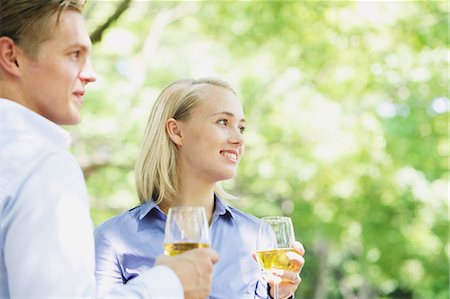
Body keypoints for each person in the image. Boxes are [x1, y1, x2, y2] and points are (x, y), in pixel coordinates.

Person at [0, 1, 219, 298]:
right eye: (74, 55)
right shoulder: (42, 165)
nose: (90, 74)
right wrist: (171, 282)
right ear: (11, 56)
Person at [94, 78, 306, 299]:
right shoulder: (113, 239)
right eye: (223, 122)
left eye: (241, 127)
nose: (239, 139)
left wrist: (280, 296)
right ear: (176, 131)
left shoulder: (257, 237)